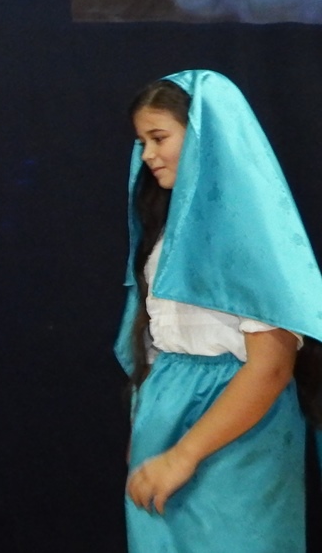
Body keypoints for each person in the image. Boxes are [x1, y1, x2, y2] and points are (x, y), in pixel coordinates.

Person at [116, 69, 322, 552]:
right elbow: (155, 340)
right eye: (142, 142)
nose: (147, 156)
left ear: (205, 138)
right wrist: (148, 423)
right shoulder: (165, 235)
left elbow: (270, 366)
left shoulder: (252, 235)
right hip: (168, 415)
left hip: (235, 424)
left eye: (159, 138)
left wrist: (184, 454)